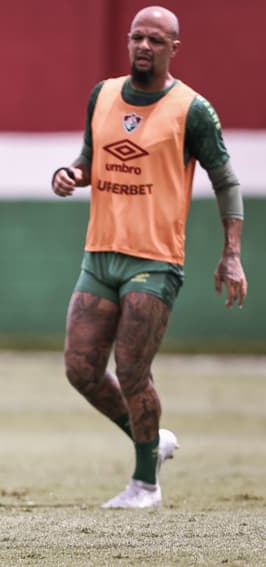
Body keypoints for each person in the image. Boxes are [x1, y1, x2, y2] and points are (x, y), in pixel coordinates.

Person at [51, 6, 247, 509]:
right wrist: (72, 173)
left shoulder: (192, 109)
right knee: (81, 369)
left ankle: (145, 484)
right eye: (137, 37)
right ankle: (152, 440)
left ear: (173, 48)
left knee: (134, 370)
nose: (144, 47)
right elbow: (91, 159)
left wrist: (232, 255)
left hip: (154, 261)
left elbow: (225, 181)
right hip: (99, 256)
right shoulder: (104, 94)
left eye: (156, 41)